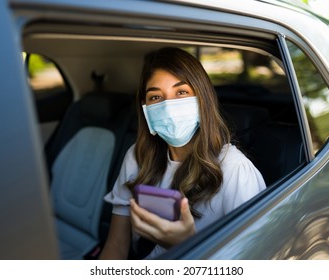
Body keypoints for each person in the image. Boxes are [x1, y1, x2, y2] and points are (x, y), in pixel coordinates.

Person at [99, 47, 266, 260]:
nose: (168, 107)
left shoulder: (236, 171)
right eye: (156, 97)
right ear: (145, 109)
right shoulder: (136, 157)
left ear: (202, 99)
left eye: (181, 92)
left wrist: (187, 245)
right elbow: (116, 246)